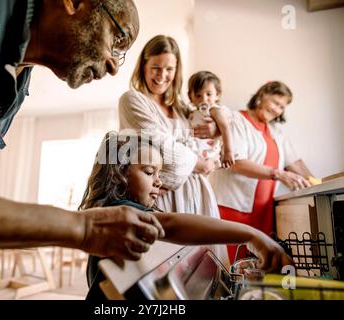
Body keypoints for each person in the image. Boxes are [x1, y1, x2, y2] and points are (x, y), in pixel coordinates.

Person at [0, 0, 167, 298]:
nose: (113, 66)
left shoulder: (19, 85)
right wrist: (83, 229)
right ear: (74, 3)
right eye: (117, 40)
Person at [80, 131, 294, 300]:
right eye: (148, 172)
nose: (158, 181)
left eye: (159, 174)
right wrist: (251, 234)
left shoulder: (130, 211)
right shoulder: (119, 211)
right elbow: (171, 225)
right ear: (119, 174)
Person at [118, 35, 229, 264]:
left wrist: (217, 129)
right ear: (143, 66)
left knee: (203, 268)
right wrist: (198, 164)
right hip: (162, 196)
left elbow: (219, 118)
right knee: (167, 264)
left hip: (197, 195)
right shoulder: (132, 100)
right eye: (155, 67)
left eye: (169, 69)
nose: (162, 75)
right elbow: (160, 145)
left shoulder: (182, 109)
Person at [211, 81, 313, 263]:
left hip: (263, 211)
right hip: (234, 207)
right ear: (261, 96)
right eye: (275, 102)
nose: (277, 110)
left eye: (282, 107)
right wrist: (279, 174)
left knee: (258, 265)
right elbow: (236, 162)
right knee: (232, 265)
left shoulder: (275, 133)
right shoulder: (236, 120)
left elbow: (295, 162)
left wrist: (315, 182)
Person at [187, 71, 235, 169]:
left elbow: (225, 128)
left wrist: (228, 151)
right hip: (194, 150)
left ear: (217, 94)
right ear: (190, 96)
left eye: (209, 94)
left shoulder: (214, 110)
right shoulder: (192, 113)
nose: (204, 99)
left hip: (208, 150)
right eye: (198, 95)